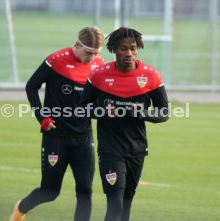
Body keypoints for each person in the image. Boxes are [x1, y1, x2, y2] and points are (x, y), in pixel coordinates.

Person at [9, 27, 105, 221]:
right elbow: (31, 86)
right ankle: (20, 209)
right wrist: (42, 117)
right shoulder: (55, 61)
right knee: (50, 191)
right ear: (77, 45)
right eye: (88, 53)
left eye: (96, 54)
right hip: (56, 138)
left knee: (85, 191)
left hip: (84, 138)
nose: (92, 58)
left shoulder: (99, 65)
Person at [80, 27, 169, 221]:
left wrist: (143, 113)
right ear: (113, 50)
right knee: (115, 204)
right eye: (123, 48)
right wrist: (101, 112)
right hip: (110, 149)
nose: (129, 53)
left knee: (126, 203)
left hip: (137, 149)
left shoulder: (151, 76)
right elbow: (82, 108)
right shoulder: (99, 75)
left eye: (133, 48)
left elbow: (164, 112)